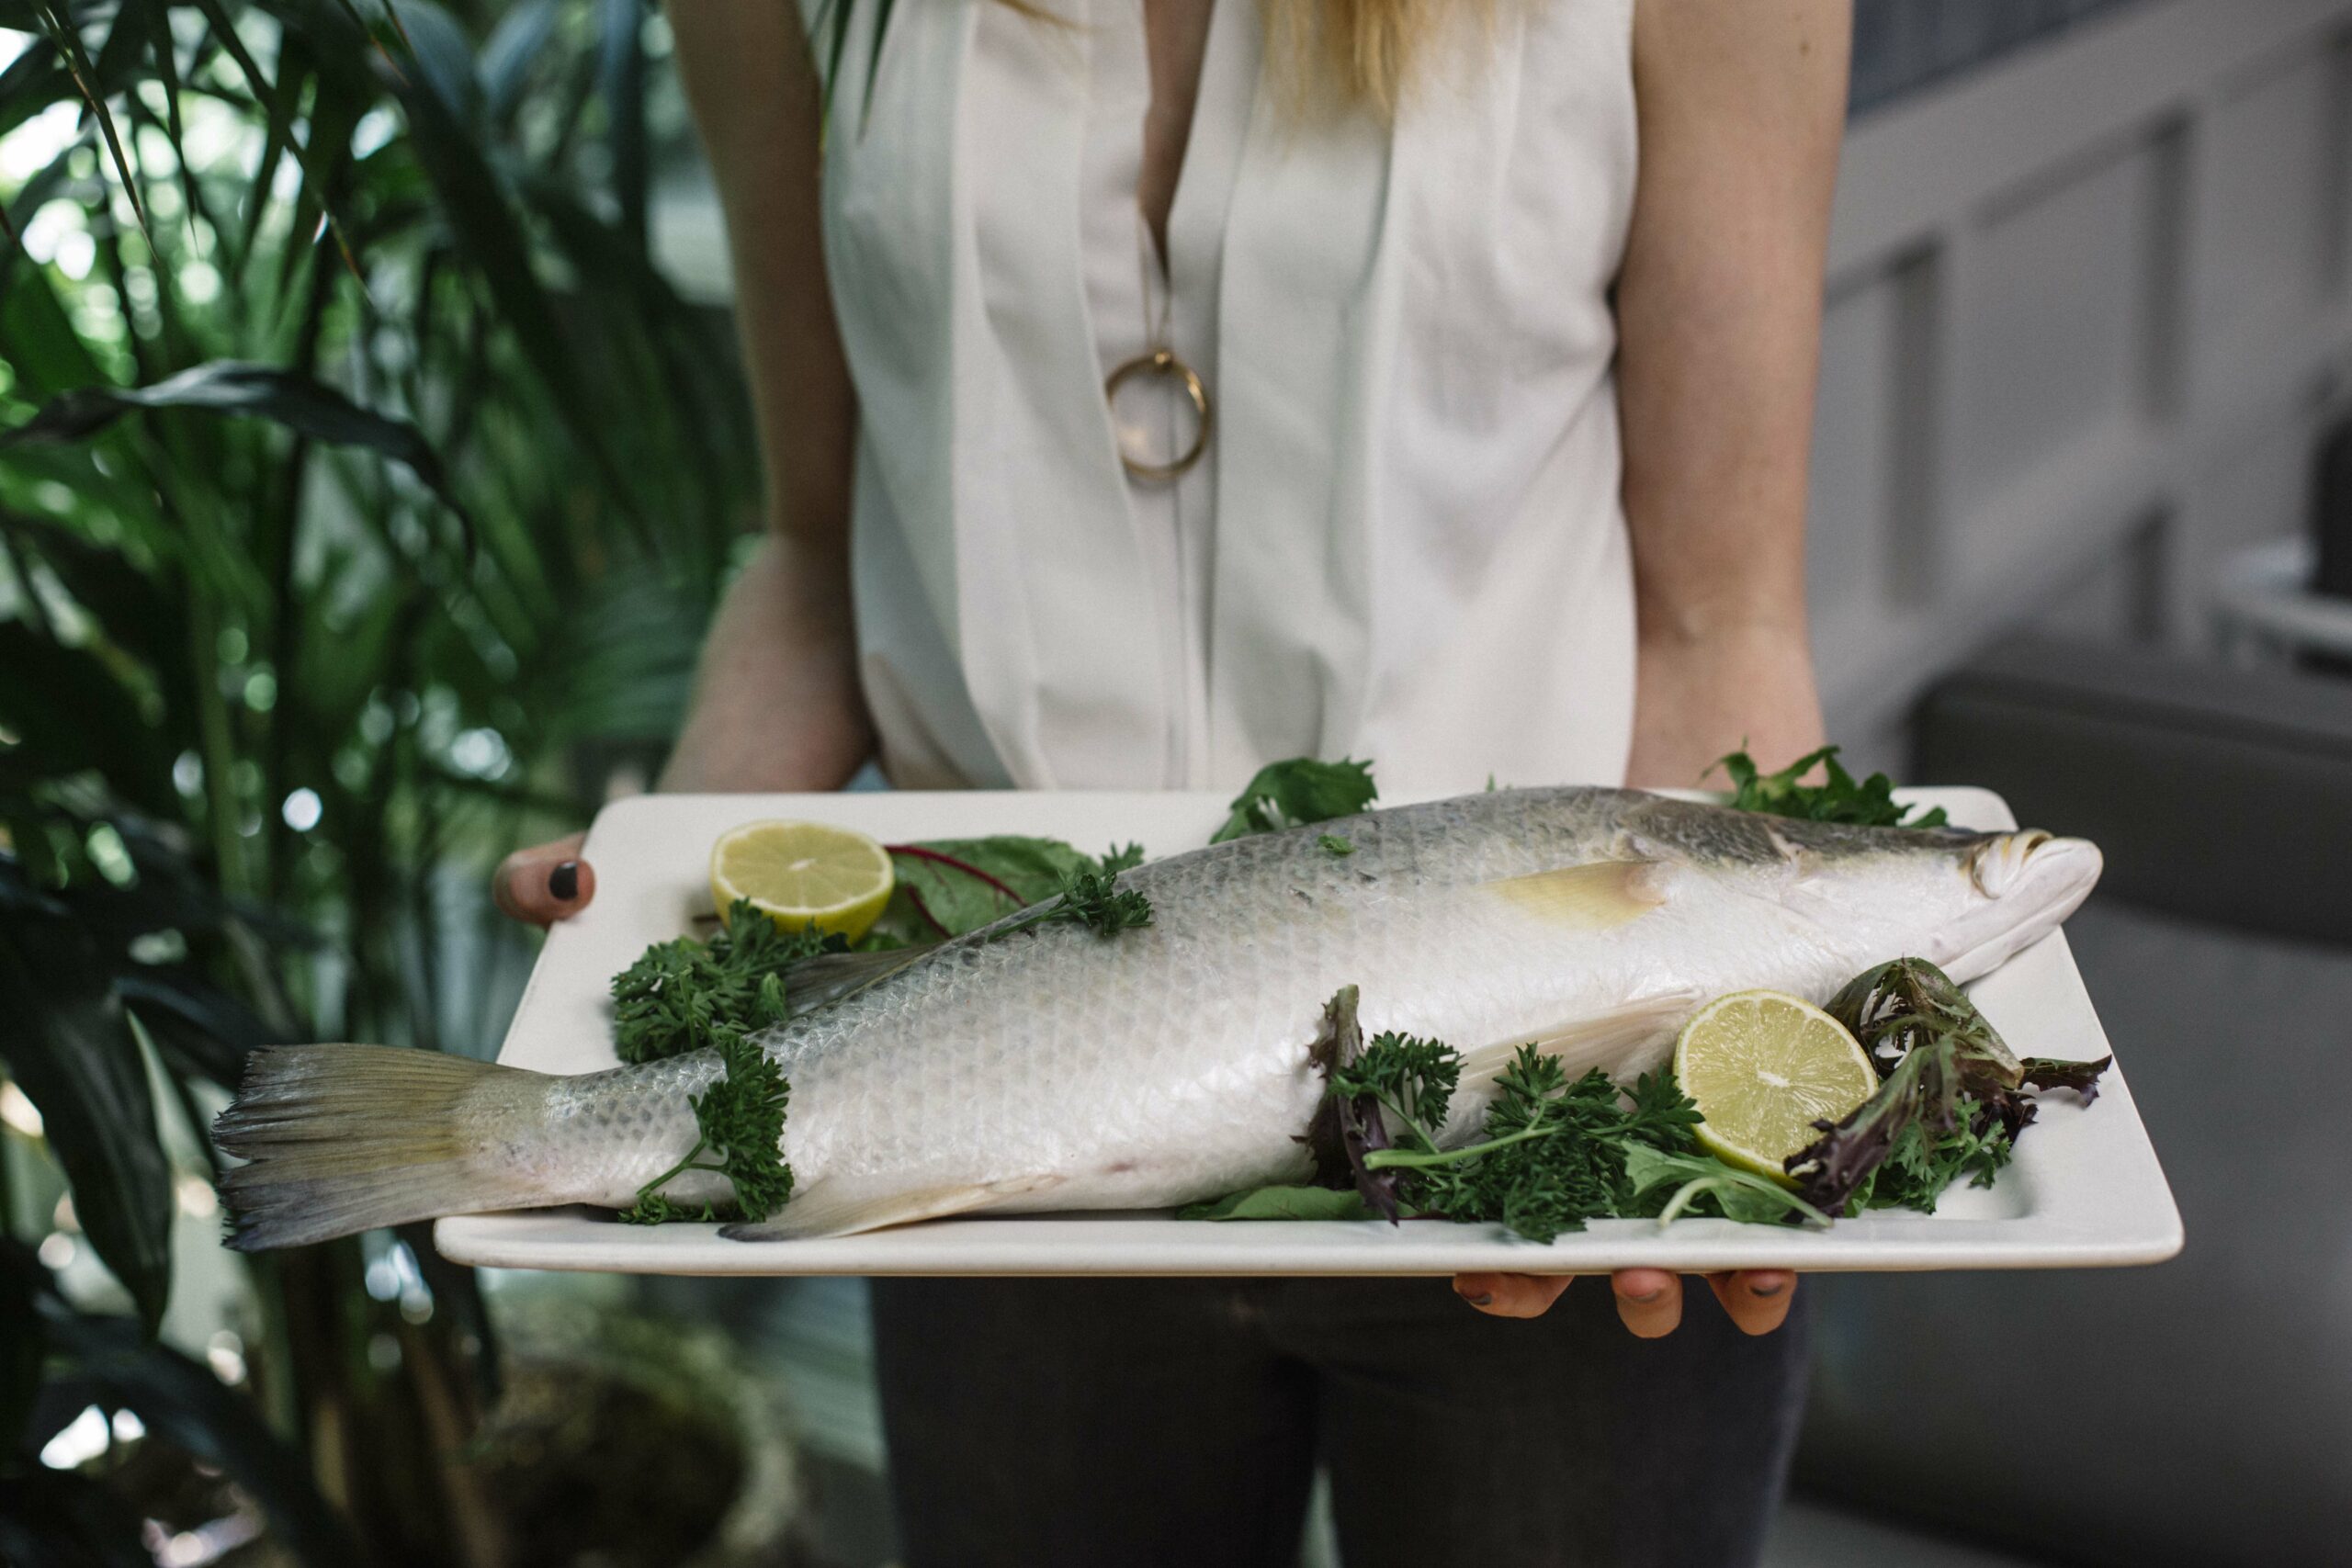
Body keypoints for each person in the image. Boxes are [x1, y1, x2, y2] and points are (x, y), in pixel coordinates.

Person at [497, 0, 1849, 1560]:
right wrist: (645, 894)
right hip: (996, 1128)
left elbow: (1718, 615)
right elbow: (820, 554)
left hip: (1529, 1124)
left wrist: (1745, 1087)